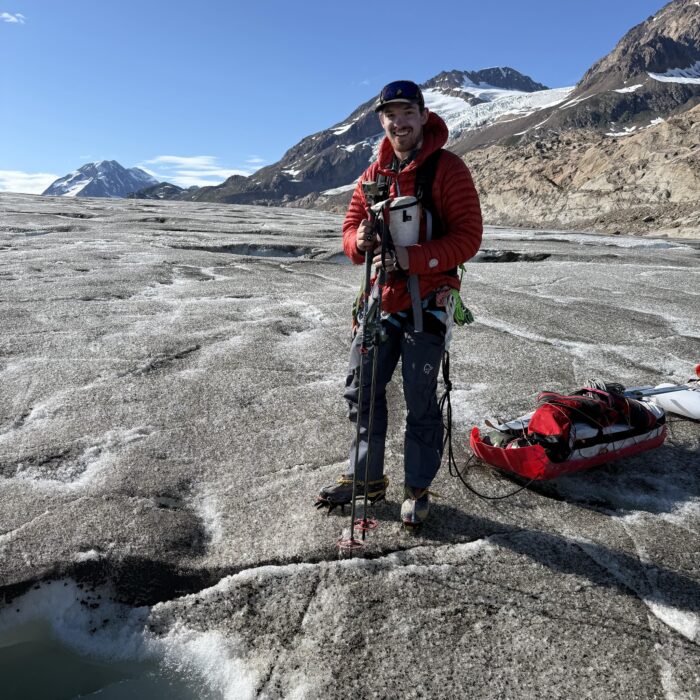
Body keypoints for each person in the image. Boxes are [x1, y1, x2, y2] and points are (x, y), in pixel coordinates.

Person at [316, 80, 483, 526]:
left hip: (428, 298)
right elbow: (350, 234)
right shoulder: (374, 176)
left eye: (407, 112)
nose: (399, 122)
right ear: (381, 121)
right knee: (363, 387)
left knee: (420, 395)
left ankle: (417, 488)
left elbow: (468, 238)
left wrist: (411, 258)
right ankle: (364, 477)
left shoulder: (448, 169)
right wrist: (360, 239)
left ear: (424, 116)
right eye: (390, 114)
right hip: (382, 298)